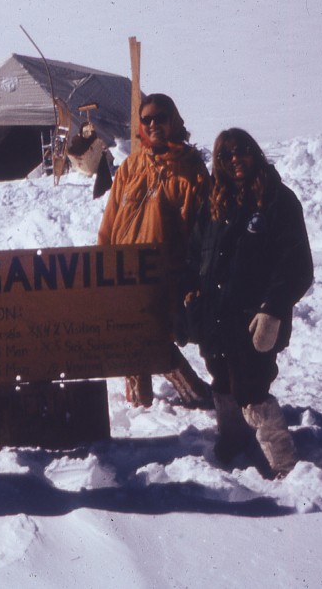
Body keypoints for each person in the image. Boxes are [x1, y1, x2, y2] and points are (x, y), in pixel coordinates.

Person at [181, 128, 313, 479]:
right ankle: (234, 439)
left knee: (251, 387)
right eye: (226, 156)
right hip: (214, 316)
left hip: (253, 318)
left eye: (242, 151)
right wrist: (191, 293)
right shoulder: (212, 201)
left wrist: (272, 309)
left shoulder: (277, 201)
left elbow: (296, 264)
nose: (235, 159)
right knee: (221, 381)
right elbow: (194, 256)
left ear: (254, 151)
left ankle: (283, 460)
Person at [97, 93, 213, 409]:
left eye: (159, 117)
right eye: (146, 119)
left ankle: (192, 392)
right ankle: (140, 405)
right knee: (129, 333)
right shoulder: (130, 167)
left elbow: (202, 233)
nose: (153, 124)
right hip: (123, 270)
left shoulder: (192, 171)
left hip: (164, 273)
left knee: (154, 334)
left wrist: (192, 281)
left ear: (173, 120)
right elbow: (109, 223)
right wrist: (102, 263)